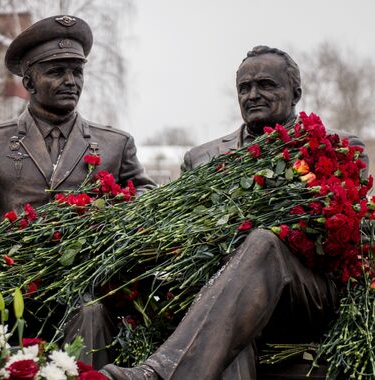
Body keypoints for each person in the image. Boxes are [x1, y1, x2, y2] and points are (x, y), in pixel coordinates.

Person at [101, 46, 369, 379]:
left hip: (305, 292)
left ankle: (158, 374)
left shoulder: (340, 149)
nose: (253, 95)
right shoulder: (202, 158)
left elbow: (333, 239)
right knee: (228, 315)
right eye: (244, 88)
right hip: (230, 291)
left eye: (266, 85)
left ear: (296, 91)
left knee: (263, 242)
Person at [0, 15, 156, 367]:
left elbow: (146, 203)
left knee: (93, 311)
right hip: (1, 283)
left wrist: (113, 226)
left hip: (78, 285)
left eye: (77, 72)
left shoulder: (115, 144)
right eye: (57, 71)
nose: (70, 81)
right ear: (29, 81)